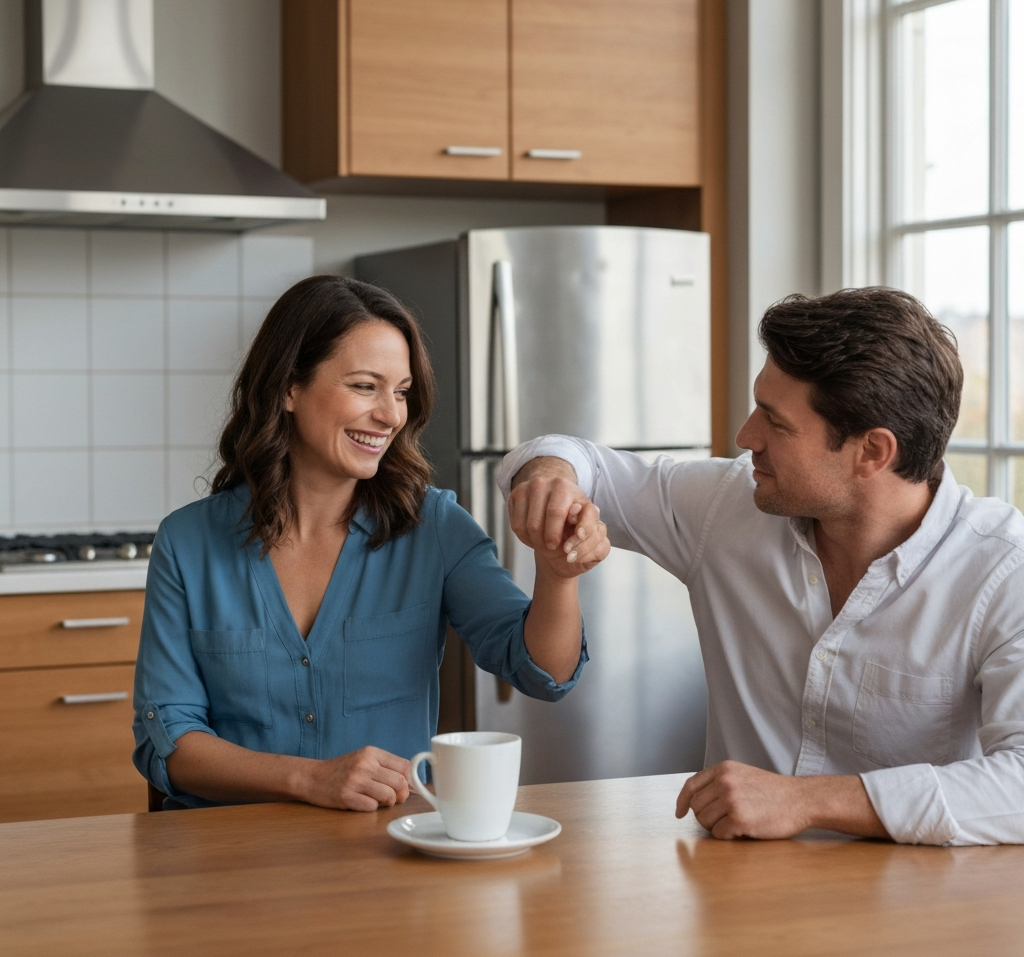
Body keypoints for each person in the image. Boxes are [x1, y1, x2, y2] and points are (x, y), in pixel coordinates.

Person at [500, 287, 1024, 846]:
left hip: (914, 916)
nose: (745, 437)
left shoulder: (1001, 571)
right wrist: (550, 481)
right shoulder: (725, 507)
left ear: (873, 452)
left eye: (775, 423)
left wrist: (808, 801)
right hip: (733, 901)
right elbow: (573, 458)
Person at [133, 275, 608, 811]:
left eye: (401, 391)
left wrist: (556, 574)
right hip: (226, 862)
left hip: (383, 855)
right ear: (290, 386)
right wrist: (308, 778)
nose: (391, 415)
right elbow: (168, 742)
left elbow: (544, 674)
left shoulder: (435, 527)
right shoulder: (188, 542)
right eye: (365, 386)